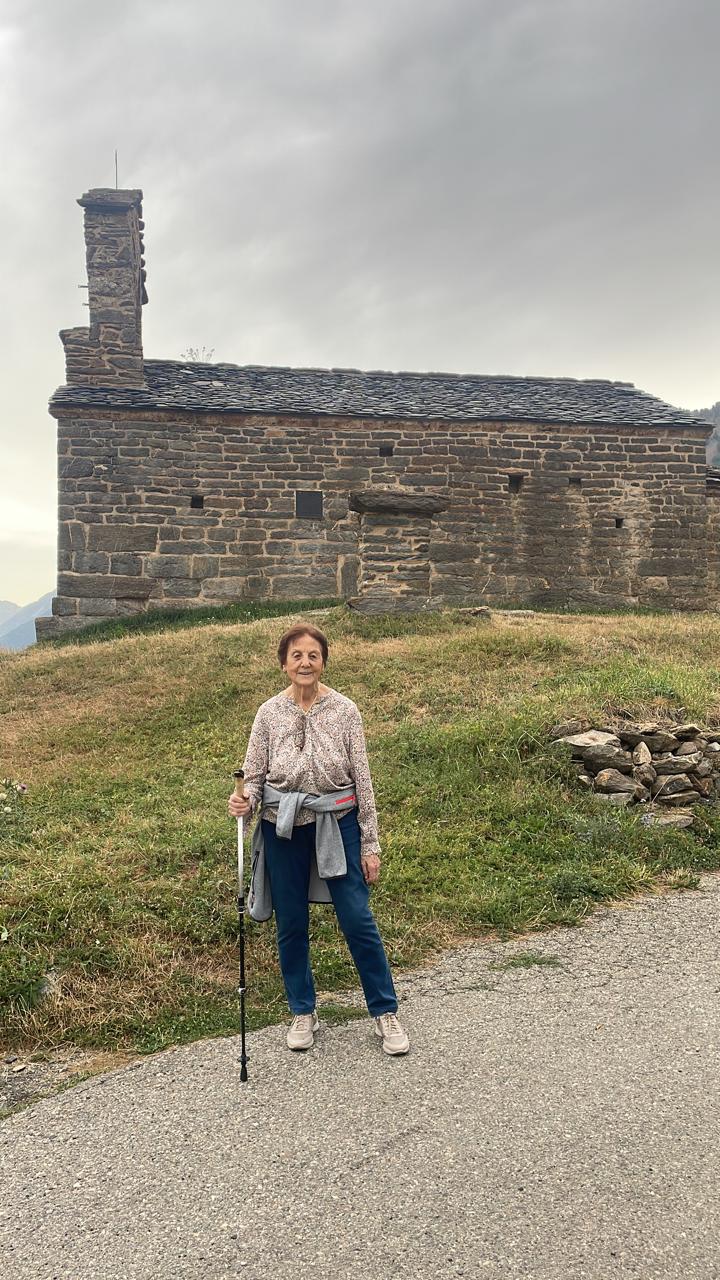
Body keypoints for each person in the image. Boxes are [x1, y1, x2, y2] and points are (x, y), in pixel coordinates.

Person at [228, 623, 410, 1057]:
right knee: (291, 922)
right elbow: (252, 777)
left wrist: (371, 844)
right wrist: (244, 802)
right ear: (284, 663)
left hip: (337, 821)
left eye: (313, 655)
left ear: (323, 661)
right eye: (296, 656)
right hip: (281, 826)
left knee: (357, 918)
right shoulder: (268, 713)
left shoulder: (346, 711)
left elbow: (363, 781)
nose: (305, 663)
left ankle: (385, 1012)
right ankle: (303, 1011)